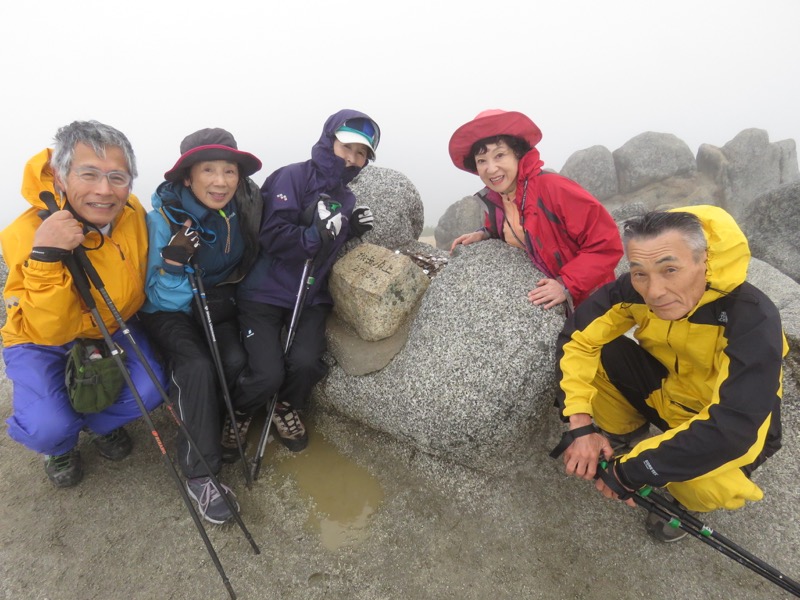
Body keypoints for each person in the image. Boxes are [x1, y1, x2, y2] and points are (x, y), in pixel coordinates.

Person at [554, 205, 787, 542]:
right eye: (640, 272)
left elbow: (733, 428)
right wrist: (580, 424)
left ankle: (681, 492)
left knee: (709, 485)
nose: (654, 291)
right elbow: (577, 340)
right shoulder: (631, 291)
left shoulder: (751, 317)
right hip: (668, 394)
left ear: (704, 260)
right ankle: (626, 436)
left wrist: (633, 470)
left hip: (730, 425)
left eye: (670, 269)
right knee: (601, 351)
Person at [1, 120, 165, 488]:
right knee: (46, 425)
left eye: (118, 177)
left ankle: (94, 425)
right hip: (40, 338)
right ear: (60, 175)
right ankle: (59, 444)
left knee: (151, 389)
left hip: (109, 325)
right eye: (88, 174)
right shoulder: (24, 235)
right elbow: (50, 328)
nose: (104, 191)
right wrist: (45, 255)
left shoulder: (132, 212)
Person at [139, 128, 265, 525]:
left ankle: (213, 421)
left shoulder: (239, 207)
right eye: (208, 169)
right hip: (169, 310)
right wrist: (175, 264)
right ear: (187, 177)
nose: (221, 180)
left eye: (229, 171)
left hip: (215, 301)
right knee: (195, 368)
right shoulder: (162, 218)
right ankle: (201, 474)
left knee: (233, 361)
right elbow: (157, 297)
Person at [236, 109, 378, 452]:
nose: (354, 159)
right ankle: (238, 410)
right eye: (348, 148)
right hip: (265, 293)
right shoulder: (291, 177)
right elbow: (273, 234)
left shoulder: (346, 197)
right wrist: (316, 234)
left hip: (309, 296)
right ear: (329, 141)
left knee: (305, 362)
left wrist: (348, 230)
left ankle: (285, 407)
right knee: (266, 372)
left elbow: (324, 246)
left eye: (362, 154)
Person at [448, 109, 623, 312]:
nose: (491, 168)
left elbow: (607, 243)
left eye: (500, 155)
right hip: (558, 307)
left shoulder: (553, 188)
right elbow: (508, 226)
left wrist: (566, 283)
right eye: (482, 161)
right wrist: (483, 233)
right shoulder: (497, 199)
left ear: (518, 155)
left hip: (594, 302)